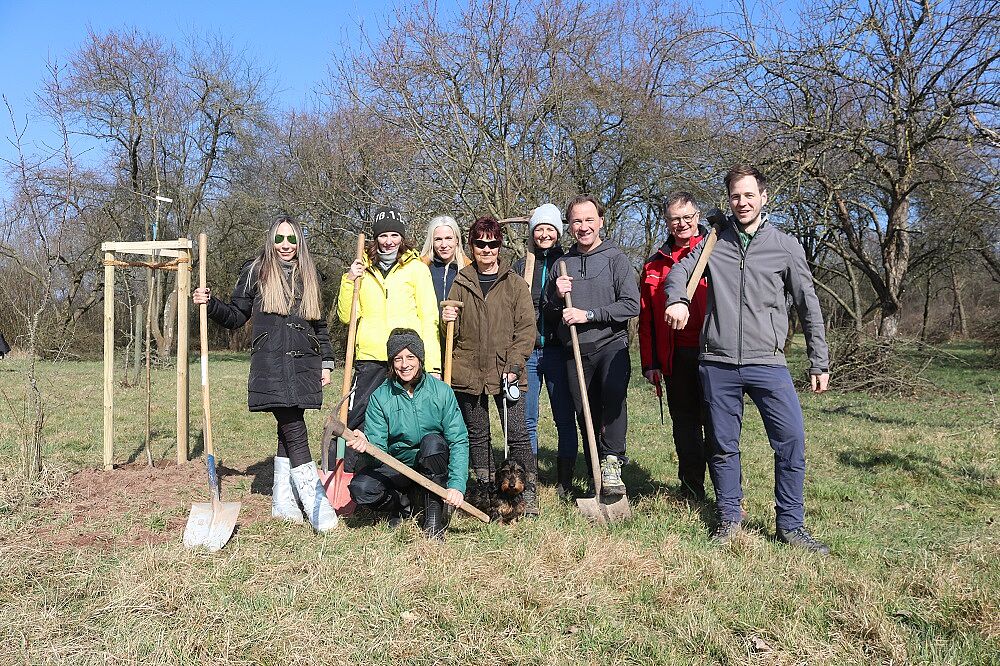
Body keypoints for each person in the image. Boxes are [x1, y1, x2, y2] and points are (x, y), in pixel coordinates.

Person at [664, 164, 831, 555]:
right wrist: (677, 299)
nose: (742, 202)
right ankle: (729, 519)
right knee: (723, 445)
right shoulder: (712, 243)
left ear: (763, 197)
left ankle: (790, 525)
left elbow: (809, 307)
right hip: (717, 363)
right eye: (736, 196)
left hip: (768, 363)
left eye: (749, 195)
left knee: (791, 442)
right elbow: (677, 274)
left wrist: (818, 361)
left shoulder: (785, 246)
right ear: (729, 199)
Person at [193, 213, 337, 532]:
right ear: (271, 241)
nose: (285, 245)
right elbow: (235, 316)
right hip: (271, 365)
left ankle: (282, 501)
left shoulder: (309, 275)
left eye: (291, 239)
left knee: (288, 430)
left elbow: (319, 325)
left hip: (304, 364)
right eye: (279, 239)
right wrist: (210, 303)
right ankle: (317, 505)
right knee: (295, 428)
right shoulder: (256, 271)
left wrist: (326, 362)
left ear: (300, 241)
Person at [543, 194, 640, 498]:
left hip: (611, 344)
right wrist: (557, 296)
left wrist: (589, 315)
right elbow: (546, 309)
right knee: (585, 413)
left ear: (600, 221)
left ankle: (612, 462)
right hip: (576, 351)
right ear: (569, 225)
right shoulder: (561, 264)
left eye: (589, 220)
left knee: (612, 401)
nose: (583, 226)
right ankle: (596, 469)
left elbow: (631, 304)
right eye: (576, 221)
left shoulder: (616, 259)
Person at [441, 215, 538, 515]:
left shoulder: (514, 284)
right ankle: (486, 492)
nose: (486, 249)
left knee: (518, 433)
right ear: (471, 246)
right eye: (480, 244)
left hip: (507, 371)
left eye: (492, 244)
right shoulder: (460, 281)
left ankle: (528, 493)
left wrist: (514, 362)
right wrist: (445, 323)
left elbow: (525, 330)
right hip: (468, 371)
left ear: (500, 246)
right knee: (478, 434)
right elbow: (449, 335)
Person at [337, 205, 441, 471]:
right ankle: (347, 472)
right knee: (355, 416)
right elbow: (346, 316)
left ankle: (401, 474)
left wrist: (433, 365)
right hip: (369, 356)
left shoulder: (416, 269)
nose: (389, 241)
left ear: (402, 238)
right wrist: (349, 280)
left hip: (405, 356)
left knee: (405, 418)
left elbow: (429, 318)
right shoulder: (362, 270)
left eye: (394, 235)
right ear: (375, 238)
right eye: (383, 236)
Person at [345, 328, 469, 540]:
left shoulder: (441, 392)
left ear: (420, 359)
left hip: (433, 464)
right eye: (398, 358)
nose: (405, 365)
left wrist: (457, 485)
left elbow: (458, 440)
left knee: (432, 444)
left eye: (410, 357)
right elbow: (378, 451)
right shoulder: (380, 397)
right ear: (391, 362)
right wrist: (366, 445)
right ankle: (402, 505)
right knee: (362, 489)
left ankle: (433, 520)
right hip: (398, 468)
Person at [639, 192, 714, 500]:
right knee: (685, 427)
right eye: (675, 219)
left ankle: (727, 494)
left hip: (714, 353)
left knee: (718, 425)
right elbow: (647, 319)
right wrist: (650, 362)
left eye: (688, 217)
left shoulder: (717, 250)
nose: (682, 224)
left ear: (697, 217)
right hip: (675, 356)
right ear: (667, 222)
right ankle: (692, 489)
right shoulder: (655, 265)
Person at [512, 204, 579, 498]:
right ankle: (530, 477)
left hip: (557, 350)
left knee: (564, 416)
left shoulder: (567, 263)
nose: (544, 234)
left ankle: (565, 481)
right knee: (527, 419)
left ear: (558, 232)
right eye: (539, 228)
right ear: (532, 232)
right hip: (527, 352)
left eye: (550, 229)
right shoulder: (520, 265)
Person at [419, 214, 470, 304]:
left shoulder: (469, 269)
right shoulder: (421, 268)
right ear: (432, 242)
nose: (444, 245)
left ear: (457, 240)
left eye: (448, 238)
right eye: (438, 239)